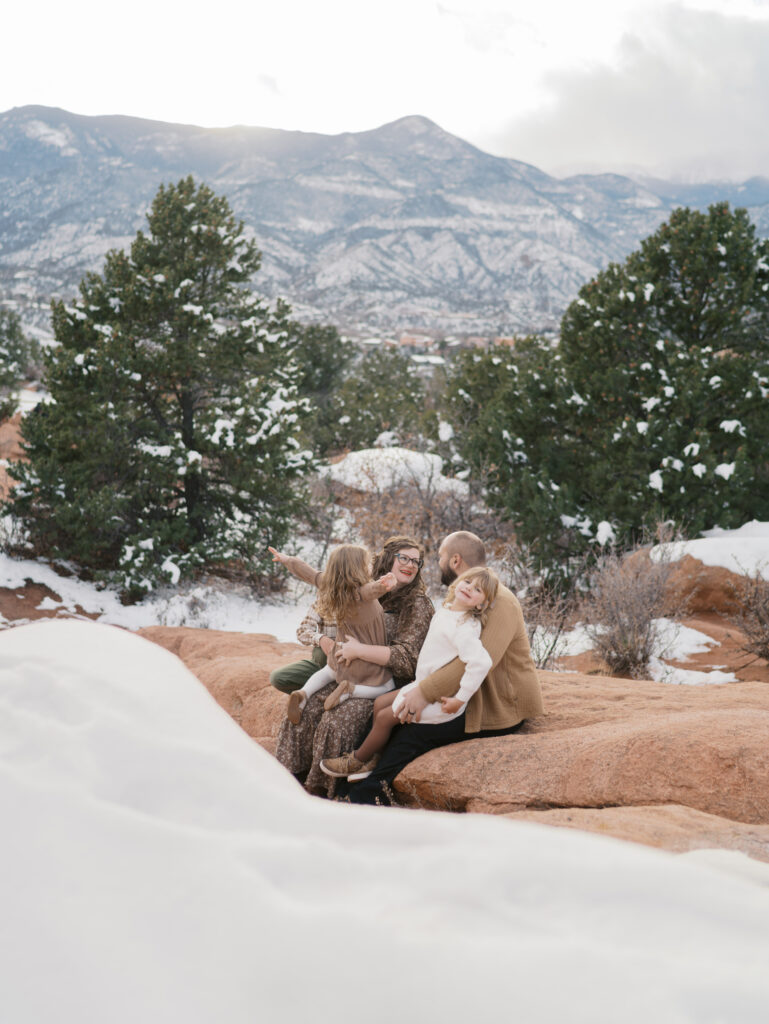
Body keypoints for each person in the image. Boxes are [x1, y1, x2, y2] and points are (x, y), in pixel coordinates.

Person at [340, 530, 544, 806]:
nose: (437, 563)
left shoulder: (501, 601)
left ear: (455, 560)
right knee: (386, 708)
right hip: (466, 690)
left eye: (440, 557)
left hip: (497, 704)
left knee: (411, 729)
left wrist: (424, 692)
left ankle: (369, 796)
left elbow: (478, 662)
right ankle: (352, 779)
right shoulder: (464, 598)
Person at [274, 535, 434, 796]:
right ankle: (287, 776)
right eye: (403, 557)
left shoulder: (417, 604)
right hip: (348, 669)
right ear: (387, 560)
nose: (411, 565)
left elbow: (407, 659)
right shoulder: (364, 587)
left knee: (336, 719)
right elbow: (317, 578)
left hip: (385, 682)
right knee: (307, 709)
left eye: (416, 561)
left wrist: (360, 650)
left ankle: (321, 790)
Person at [320, 566, 499, 781]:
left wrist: (460, 699)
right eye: (468, 582)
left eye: (478, 590)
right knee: (379, 704)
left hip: (438, 699)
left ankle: (357, 759)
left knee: (385, 718)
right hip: (421, 683)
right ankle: (374, 757)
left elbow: (481, 663)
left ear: (482, 603)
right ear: (458, 582)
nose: (470, 588)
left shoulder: (464, 628)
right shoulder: (447, 611)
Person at [268, 544, 398, 722]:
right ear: (357, 569)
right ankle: (349, 690)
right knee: (388, 686)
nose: (371, 567)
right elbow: (372, 590)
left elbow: (308, 572)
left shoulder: (329, 586)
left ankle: (303, 694)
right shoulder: (361, 593)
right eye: (367, 564)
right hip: (363, 656)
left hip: (340, 652)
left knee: (328, 672)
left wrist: (287, 560)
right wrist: (385, 584)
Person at [268, 601, 336, 695]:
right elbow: (302, 631)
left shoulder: (360, 600)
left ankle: (330, 691)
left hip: (351, 668)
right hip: (320, 666)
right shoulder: (323, 601)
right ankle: (322, 692)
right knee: (278, 677)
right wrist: (320, 639)